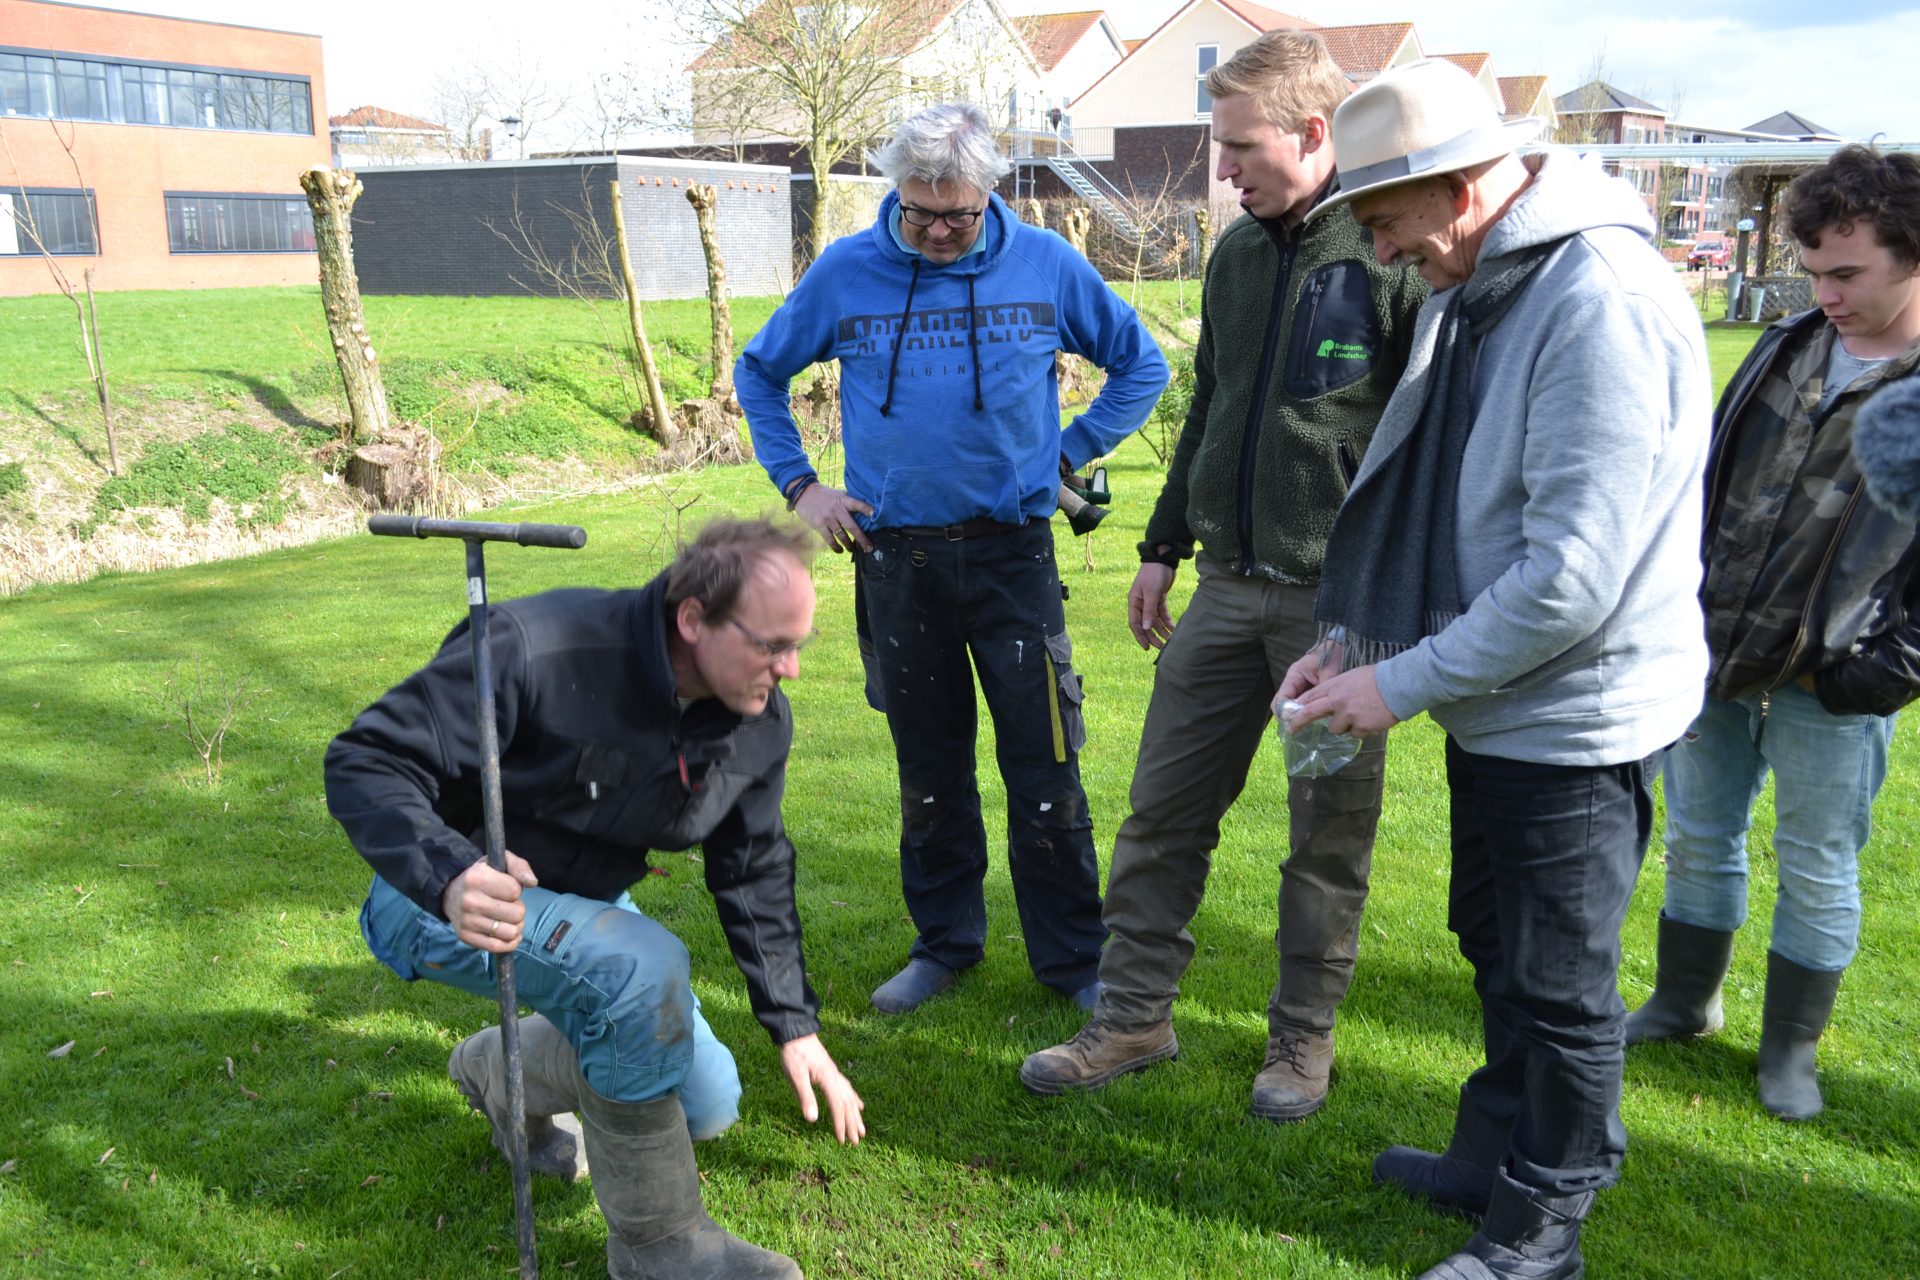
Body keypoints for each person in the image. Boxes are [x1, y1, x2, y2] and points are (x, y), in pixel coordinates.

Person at [1278, 60, 1710, 1278]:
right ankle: (1493, 1154)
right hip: (1503, 703)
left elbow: (1573, 577)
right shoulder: (1493, 280)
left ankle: (1540, 1225)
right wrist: (1360, 640)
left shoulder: (1595, 300)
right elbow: (1448, 503)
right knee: (1498, 940)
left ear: (1460, 188)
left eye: (1386, 224)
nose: (1383, 253)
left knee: (1565, 986)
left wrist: (1395, 683)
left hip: (1580, 712)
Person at [1017, 30, 1426, 1121]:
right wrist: (1161, 546)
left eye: (1240, 147)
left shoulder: (1389, 250)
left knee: (1323, 837)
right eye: (1219, 147)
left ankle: (1302, 1041)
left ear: (1312, 132)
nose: (1224, 169)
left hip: (1337, 615)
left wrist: (1381, 603)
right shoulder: (1238, 254)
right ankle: (1134, 1014)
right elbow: (1211, 407)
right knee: (1160, 813)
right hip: (1224, 591)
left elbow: (1423, 439)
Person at [324, 517, 863, 1280]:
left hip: (581, 903)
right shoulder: (535, 647)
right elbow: (364, 759)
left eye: (799, 644)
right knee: (641, 972)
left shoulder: (753, 723)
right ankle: (659, 1248)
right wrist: (449, 872)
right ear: (692, 619)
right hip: (431, 897)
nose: (793, 669)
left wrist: (795, 1025)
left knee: (707, 1106)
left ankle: (494, 1068)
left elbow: (752, 870)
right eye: (773, 645)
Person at [736, 102, 1169, 1016]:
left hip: (1013, 556)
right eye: (918, 210)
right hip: (895, 562)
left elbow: (1143, 364)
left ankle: (1074, 963)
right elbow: (759, 372)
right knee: (929, 770)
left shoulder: (1046, 265)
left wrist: (1069, 449)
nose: (935, 230)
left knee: (1046, 767)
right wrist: (801, 486)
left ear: (990, 196)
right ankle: (945, 945)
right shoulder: (848, 271)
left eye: (956, 215)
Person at [1624, 146, 1920, 1122]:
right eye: (1815, 273)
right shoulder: (1786, 344)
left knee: (1818, 861)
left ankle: (1790, 1050)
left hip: (1834, 680)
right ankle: (1682, 1002)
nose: (1826, 294)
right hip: (1714, 653)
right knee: (1701, 839)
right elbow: (1713, 481)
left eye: (1848, 274)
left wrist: (1883, 670)